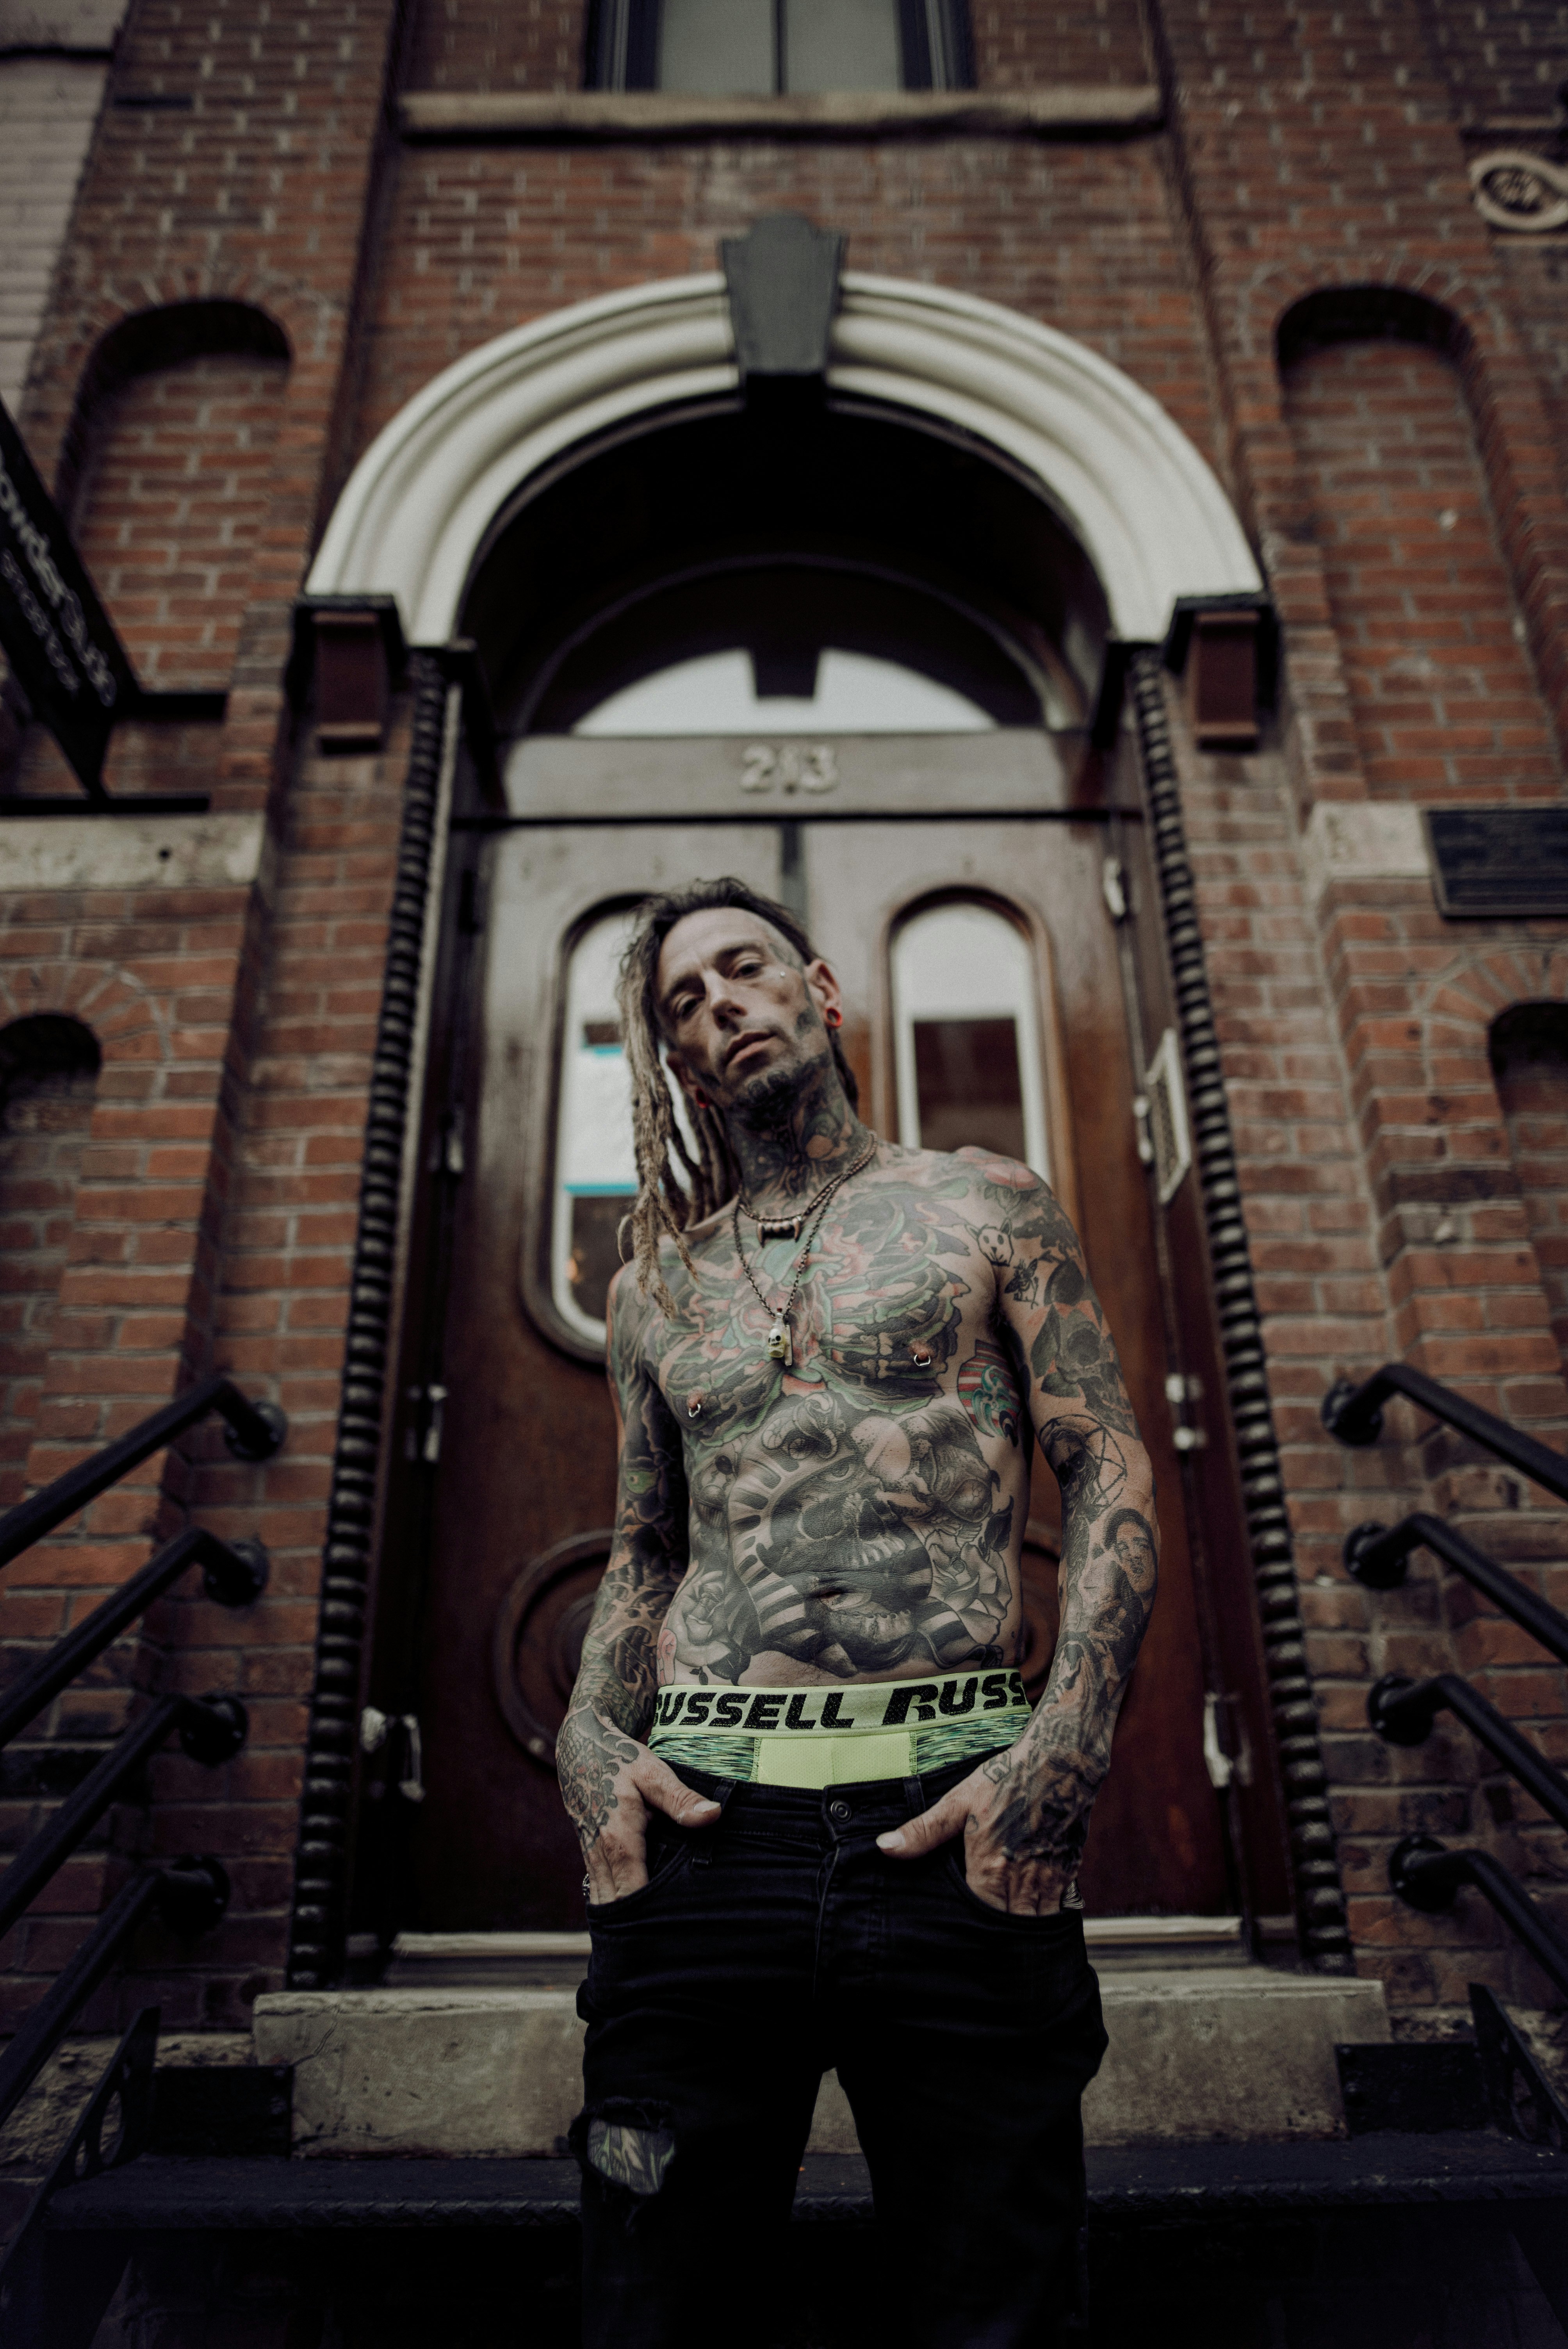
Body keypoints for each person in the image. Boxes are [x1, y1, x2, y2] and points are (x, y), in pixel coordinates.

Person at [558, 877, 1158, 2349]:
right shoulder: (655, 1287)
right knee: (654, 2309)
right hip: (707, 1830)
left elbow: (1107, 1463)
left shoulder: (985, 1202)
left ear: (819, 992)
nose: (722, 1004)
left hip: (952, 1816)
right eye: (685, 1002)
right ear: (678, 1063)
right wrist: (585, 1741)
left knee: (995, 2311)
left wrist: (1062, 1755)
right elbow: (645, 1545)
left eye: (744, 969)